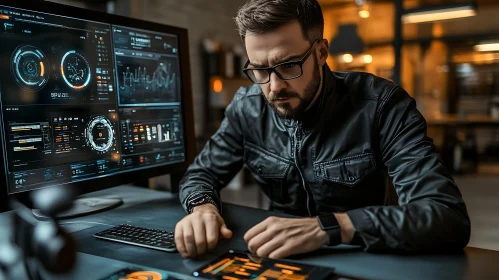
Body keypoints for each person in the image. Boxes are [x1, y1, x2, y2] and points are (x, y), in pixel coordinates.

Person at [174, 0, 471, 259]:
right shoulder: (247, 107)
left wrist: (329, 226)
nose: (274, 86)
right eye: (260, 70)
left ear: (321, 52)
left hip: (365, 254)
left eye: (289, 65)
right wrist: (203, 209)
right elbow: (202, 173)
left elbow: (445, 215)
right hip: (275, 255)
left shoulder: (381, 106)